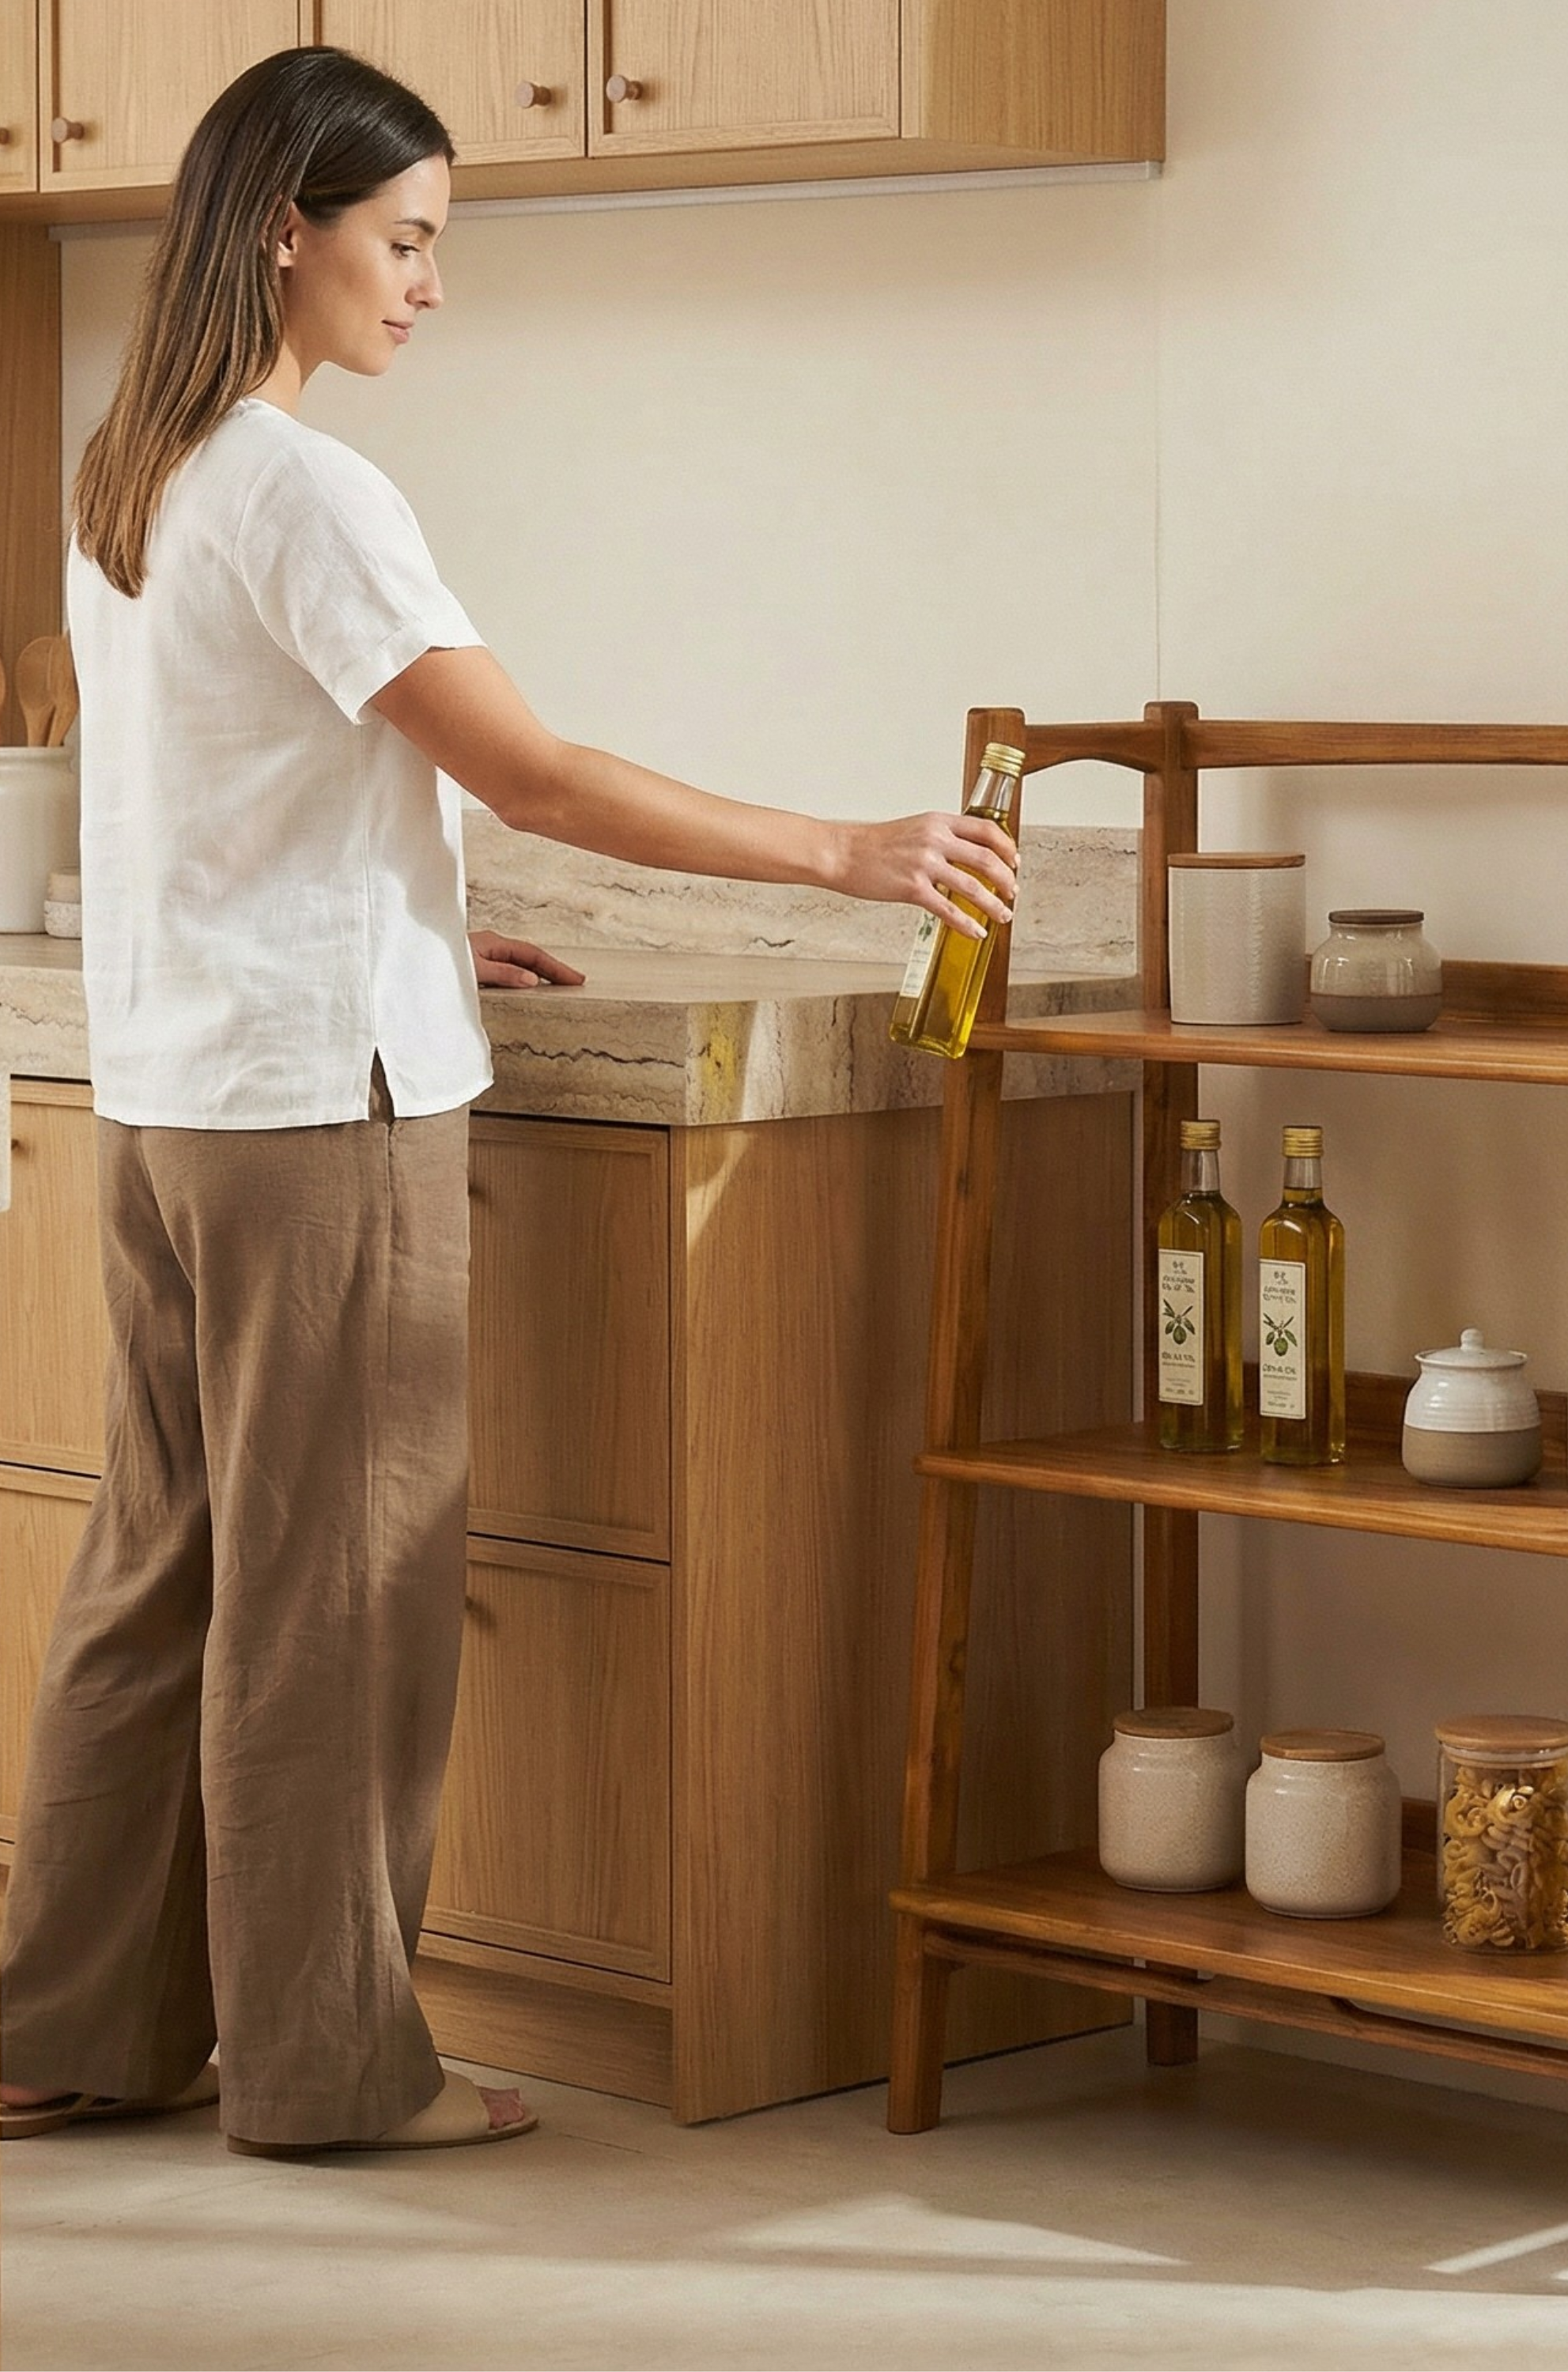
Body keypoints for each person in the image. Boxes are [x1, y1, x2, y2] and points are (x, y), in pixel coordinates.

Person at [0, 47, 1017, 2156]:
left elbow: (215, 791)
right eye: (408, 240)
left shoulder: (138, 472)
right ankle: (328, 2072)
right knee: (337, 1598)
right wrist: (848, 850)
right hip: (321, 1118)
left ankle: (67, 2030)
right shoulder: (306, 489)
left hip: (182, 1094)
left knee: (164, 1565)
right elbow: (530, 772)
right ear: (287, 225)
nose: (431, 288)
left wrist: (416, 925)